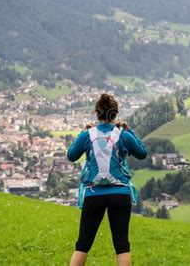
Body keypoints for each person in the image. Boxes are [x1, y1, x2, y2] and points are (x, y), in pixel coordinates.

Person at [67, 93, 147, 266]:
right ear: (115, 114)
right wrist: (129, 130)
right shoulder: (122, 134)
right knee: (122, 246)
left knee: (82, 245)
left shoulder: (88, 134)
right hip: (120, 193)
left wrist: (82, 133)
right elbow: (142, 153)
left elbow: (71, 155)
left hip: (93, 194)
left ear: (97, 112)